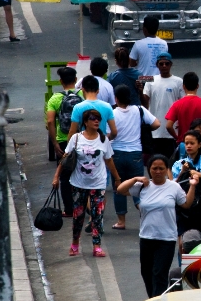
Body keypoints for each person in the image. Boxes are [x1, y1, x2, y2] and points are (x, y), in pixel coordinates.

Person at [116, 155, 198, 297]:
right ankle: (152, 299)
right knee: (146, 273)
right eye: (154, 168)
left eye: (161, 168)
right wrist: (135, 179)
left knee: (159, 274)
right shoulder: (142, 186)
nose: (158, 171)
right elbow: (120, 190)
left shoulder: (174, 187)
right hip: (146, 237)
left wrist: (192, 186)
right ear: (149, 170)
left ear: (167, 170)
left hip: (166, 239)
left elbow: (186, 204)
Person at [52, 109, 121, 258]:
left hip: (98, 184)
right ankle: (75, 243)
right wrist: (56, 176)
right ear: (85, 122)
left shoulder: (103, 140)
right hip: (79, 183)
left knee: (97, 216)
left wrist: (117, 178)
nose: (97, 121)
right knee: (78, 216)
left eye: (98, 119)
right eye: (93, 118)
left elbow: (109, 160)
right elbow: (65, 158)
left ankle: (97, 246)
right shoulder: (76, 138)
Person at [111, 84, 159, 230]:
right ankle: (146, 215)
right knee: (138, 187)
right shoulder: (139, 110)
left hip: (117, 153)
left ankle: (121, 221)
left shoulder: (112, 113)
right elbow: (156, 123)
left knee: (118, 187)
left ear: (116, 98)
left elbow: (109, 133)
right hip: (136, 153)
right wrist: (144, 128)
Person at [170, 130, 201, 240]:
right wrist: (182, 172)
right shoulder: (179, 164)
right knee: (183, 243)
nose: (188, 146)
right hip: (183, 208)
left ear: (199, 144)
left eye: (192, 143)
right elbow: (173, 185)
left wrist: (200, 175)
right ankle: (182, 258)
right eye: (186, 143)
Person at [46, 67, 82, 216]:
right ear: (75, 80)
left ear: (60, 81)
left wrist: (54, 143)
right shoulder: (83, 95)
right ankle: (83, 205)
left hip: (63, 140)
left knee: (65, 176)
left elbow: (50, 121)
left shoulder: (55, 98)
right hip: (81, 139)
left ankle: (69, 209)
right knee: (82, 172)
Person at [141, 52, 184, 158]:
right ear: (157, 65)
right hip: (155, 130)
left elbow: (182, 103)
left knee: (171, 162)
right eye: (161, 64)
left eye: (167, 63)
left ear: (171, 65)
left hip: (171, 130)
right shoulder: (150, 81)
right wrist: (139, 91)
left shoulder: (178, 81)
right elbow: (145, 102)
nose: (164, 66)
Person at [165, 72, 201, 145]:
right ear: (197, 86)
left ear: (183, 86)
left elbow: (168, 126)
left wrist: (177, 137)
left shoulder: (177, 104)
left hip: (185, 143)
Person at [68, 75, 117, 139]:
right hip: (101, 144)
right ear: (98, 90)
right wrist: (106, 139)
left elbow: (72, 132)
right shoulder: (107, 106)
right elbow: (114, 132)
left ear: (83, 89)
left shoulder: (78, 107)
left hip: (83, 146)